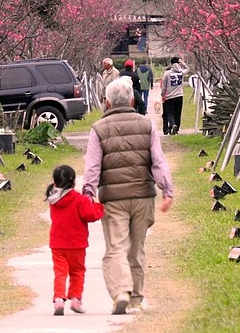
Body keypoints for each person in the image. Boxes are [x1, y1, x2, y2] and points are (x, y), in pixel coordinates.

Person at [82, 77, 174, 315]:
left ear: (107, 103)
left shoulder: (99, 129)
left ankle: (121, 291)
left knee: (116, 247)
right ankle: (135, 299)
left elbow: (92, 166)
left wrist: (89, 192)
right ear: (133, 100)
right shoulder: (147, 125)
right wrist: (167, 190)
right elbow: (158, 161)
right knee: (136, 249)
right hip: (143, 196)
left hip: (113, 198)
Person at [45, 165, 104, 316]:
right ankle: (76, 299)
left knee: (60, 272)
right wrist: (98, 205)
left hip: (57, 243)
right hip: (77, 244)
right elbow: (91, 216)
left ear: (55, 182)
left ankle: (59, 299)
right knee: (77, 271)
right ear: (73, 183)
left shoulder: (52, 198)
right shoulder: (79, 199)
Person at [160, 56, 189, 135]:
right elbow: (187, 69)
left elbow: (164, 86)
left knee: (170, 113)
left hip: (170, 96)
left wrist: (162, 94)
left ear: (171, 64)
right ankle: (176, 129)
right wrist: (182, 63)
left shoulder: (167, 73)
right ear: (178, 63)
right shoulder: (181, 72)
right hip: (179, 96)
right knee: (178, 113)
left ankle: (173, 125)